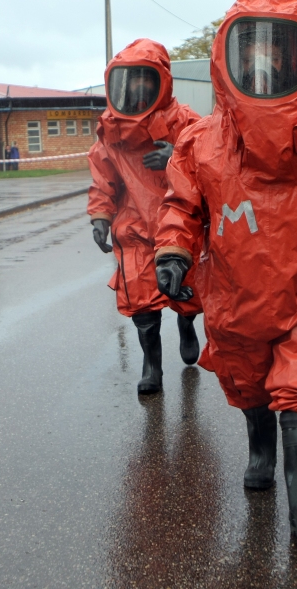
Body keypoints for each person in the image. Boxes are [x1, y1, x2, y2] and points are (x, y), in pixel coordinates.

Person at [154, 0, 297, 541]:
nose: (264, 62)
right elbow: (182, 206)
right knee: (251, 384)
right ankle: (260, 444)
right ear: (228, 57)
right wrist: (172, 252)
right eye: (253, 47)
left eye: (280, 48)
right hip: (237, 295)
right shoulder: (202, 142)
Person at [88, 38, 203, 395]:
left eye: (145, 80)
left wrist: (176, 156)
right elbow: (102, 175)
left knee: (185, 289)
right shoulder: (111, 130)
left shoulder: (185, 122)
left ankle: (187, 322)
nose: (138, 88)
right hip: (135, 226)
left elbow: (211, 164)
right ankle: (152, 364)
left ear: (161, 82)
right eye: (131, 81)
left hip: (179, 223)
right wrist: (100, 216)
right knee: (141, 301)